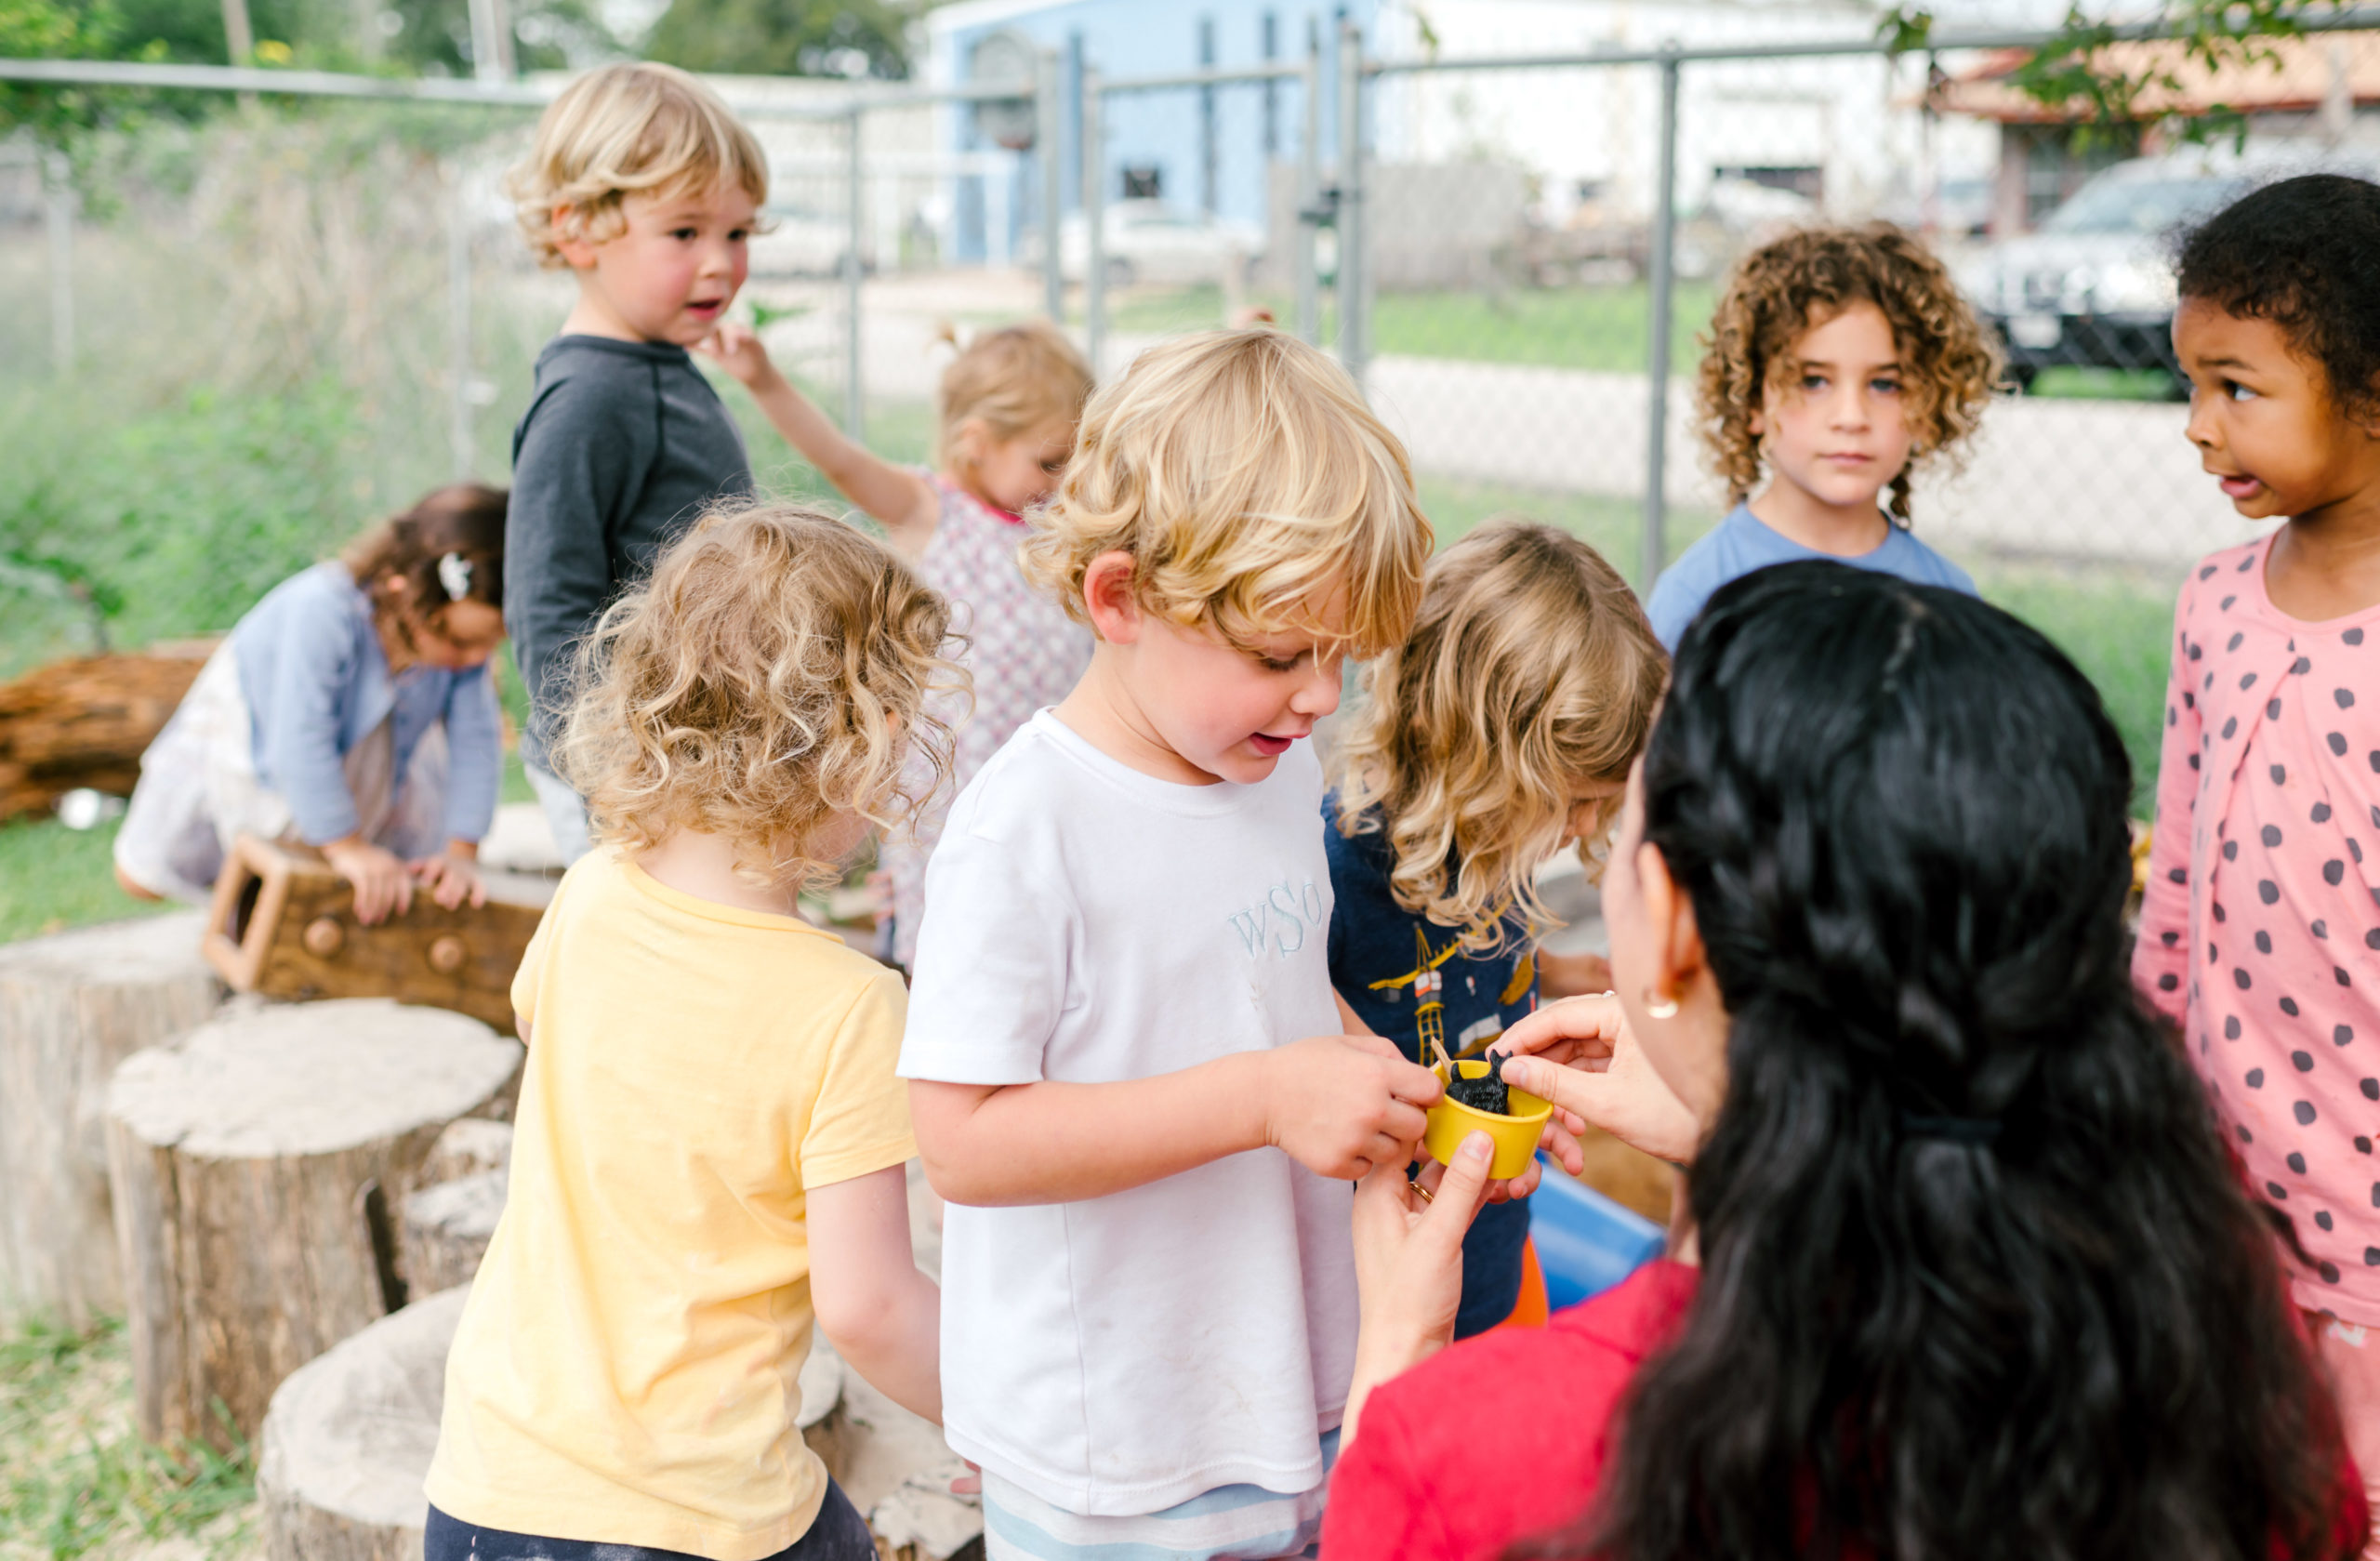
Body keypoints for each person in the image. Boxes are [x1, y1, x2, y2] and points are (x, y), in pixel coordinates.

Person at [1318, 561, 2366, 1561]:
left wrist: (1393, 1356)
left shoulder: (1462, 1454)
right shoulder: (2215, 1340)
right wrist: (1736, 1126)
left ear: (1674, 924)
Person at [897, 326, 1440, 1561]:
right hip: (1115, 1450)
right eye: (1280, 656)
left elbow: (1282, 989)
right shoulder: (1026, 826)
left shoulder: (1266, 771)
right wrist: (1261, 1096)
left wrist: (1397, 1099)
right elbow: (963, 1139)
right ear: (1121, 596)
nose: (1318, 699)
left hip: (1279, 1377)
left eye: (1341, 659)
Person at [424, 503, 951, 1561]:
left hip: (487, 1487)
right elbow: (873, 1307)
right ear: (861, 740)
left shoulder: (587, 894)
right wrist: (1017, 1416)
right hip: (692, 1518)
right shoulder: (847, 1005)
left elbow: (550, 1028)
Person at [2133, 173, 2380, 1547]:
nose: (2198, 425)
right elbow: (2173, 884)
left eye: (2237, 386)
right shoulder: (2216, 602)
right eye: (2193, 383)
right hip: (2218, 1224)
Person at [1326, 518, 1665, 1337]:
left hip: (1504, 1255)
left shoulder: (1491, 840)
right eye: (1575, 799)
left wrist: (1548, 973)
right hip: (1382, 1294)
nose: (1584, 823)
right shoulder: (1339, 878)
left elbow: (1451, 958)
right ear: (1474, 753)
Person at [700, 319, 1097, 967]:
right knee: (948, 941)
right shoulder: (930, 513)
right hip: (946, 796)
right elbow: (838, 459)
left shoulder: (1062, 530)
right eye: (1050, 461)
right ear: (977, 442)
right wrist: (765, 380)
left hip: (1044, 787)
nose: (1064, 478)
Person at [501, 62, 767, 864]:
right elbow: (547, 603)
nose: (719, 262)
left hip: (688, 755)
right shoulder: (590, 396)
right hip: (628, 777)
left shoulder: (653, 365)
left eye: (738, 232)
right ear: (577, 229)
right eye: (685, 233)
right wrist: (607, 774)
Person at [113, 483, 505, 921]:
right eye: (460, 641)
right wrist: (347, 848)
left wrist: (461, 851)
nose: (474, 659)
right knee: (148, 874)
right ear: (404, 594)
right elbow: (301, 740)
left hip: (365, 750)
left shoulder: (463, 656)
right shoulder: (323, 612)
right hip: (256, 738)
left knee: (328, 882)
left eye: (489, 644)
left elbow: (477, 744)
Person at [1643, 223, 1999, 650]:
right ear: (1752, 400)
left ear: (1928, 409)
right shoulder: (1695, 598)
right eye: (1813, 381)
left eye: (1885, 385)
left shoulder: (1950, 602)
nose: (1851, 418)